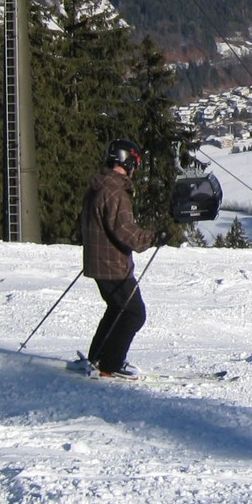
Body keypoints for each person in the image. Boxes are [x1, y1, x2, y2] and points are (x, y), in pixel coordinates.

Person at [80, 138, 158, 376]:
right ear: (129, 162)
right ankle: (110, 365)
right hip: (112, 265)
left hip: (99, 261)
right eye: (135, 163)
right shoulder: (115, 191)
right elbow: (127, 232)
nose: (135, 169)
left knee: (117, 309)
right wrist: (154, 237)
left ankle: (98, 357)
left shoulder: (99, 186)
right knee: (134, 313)